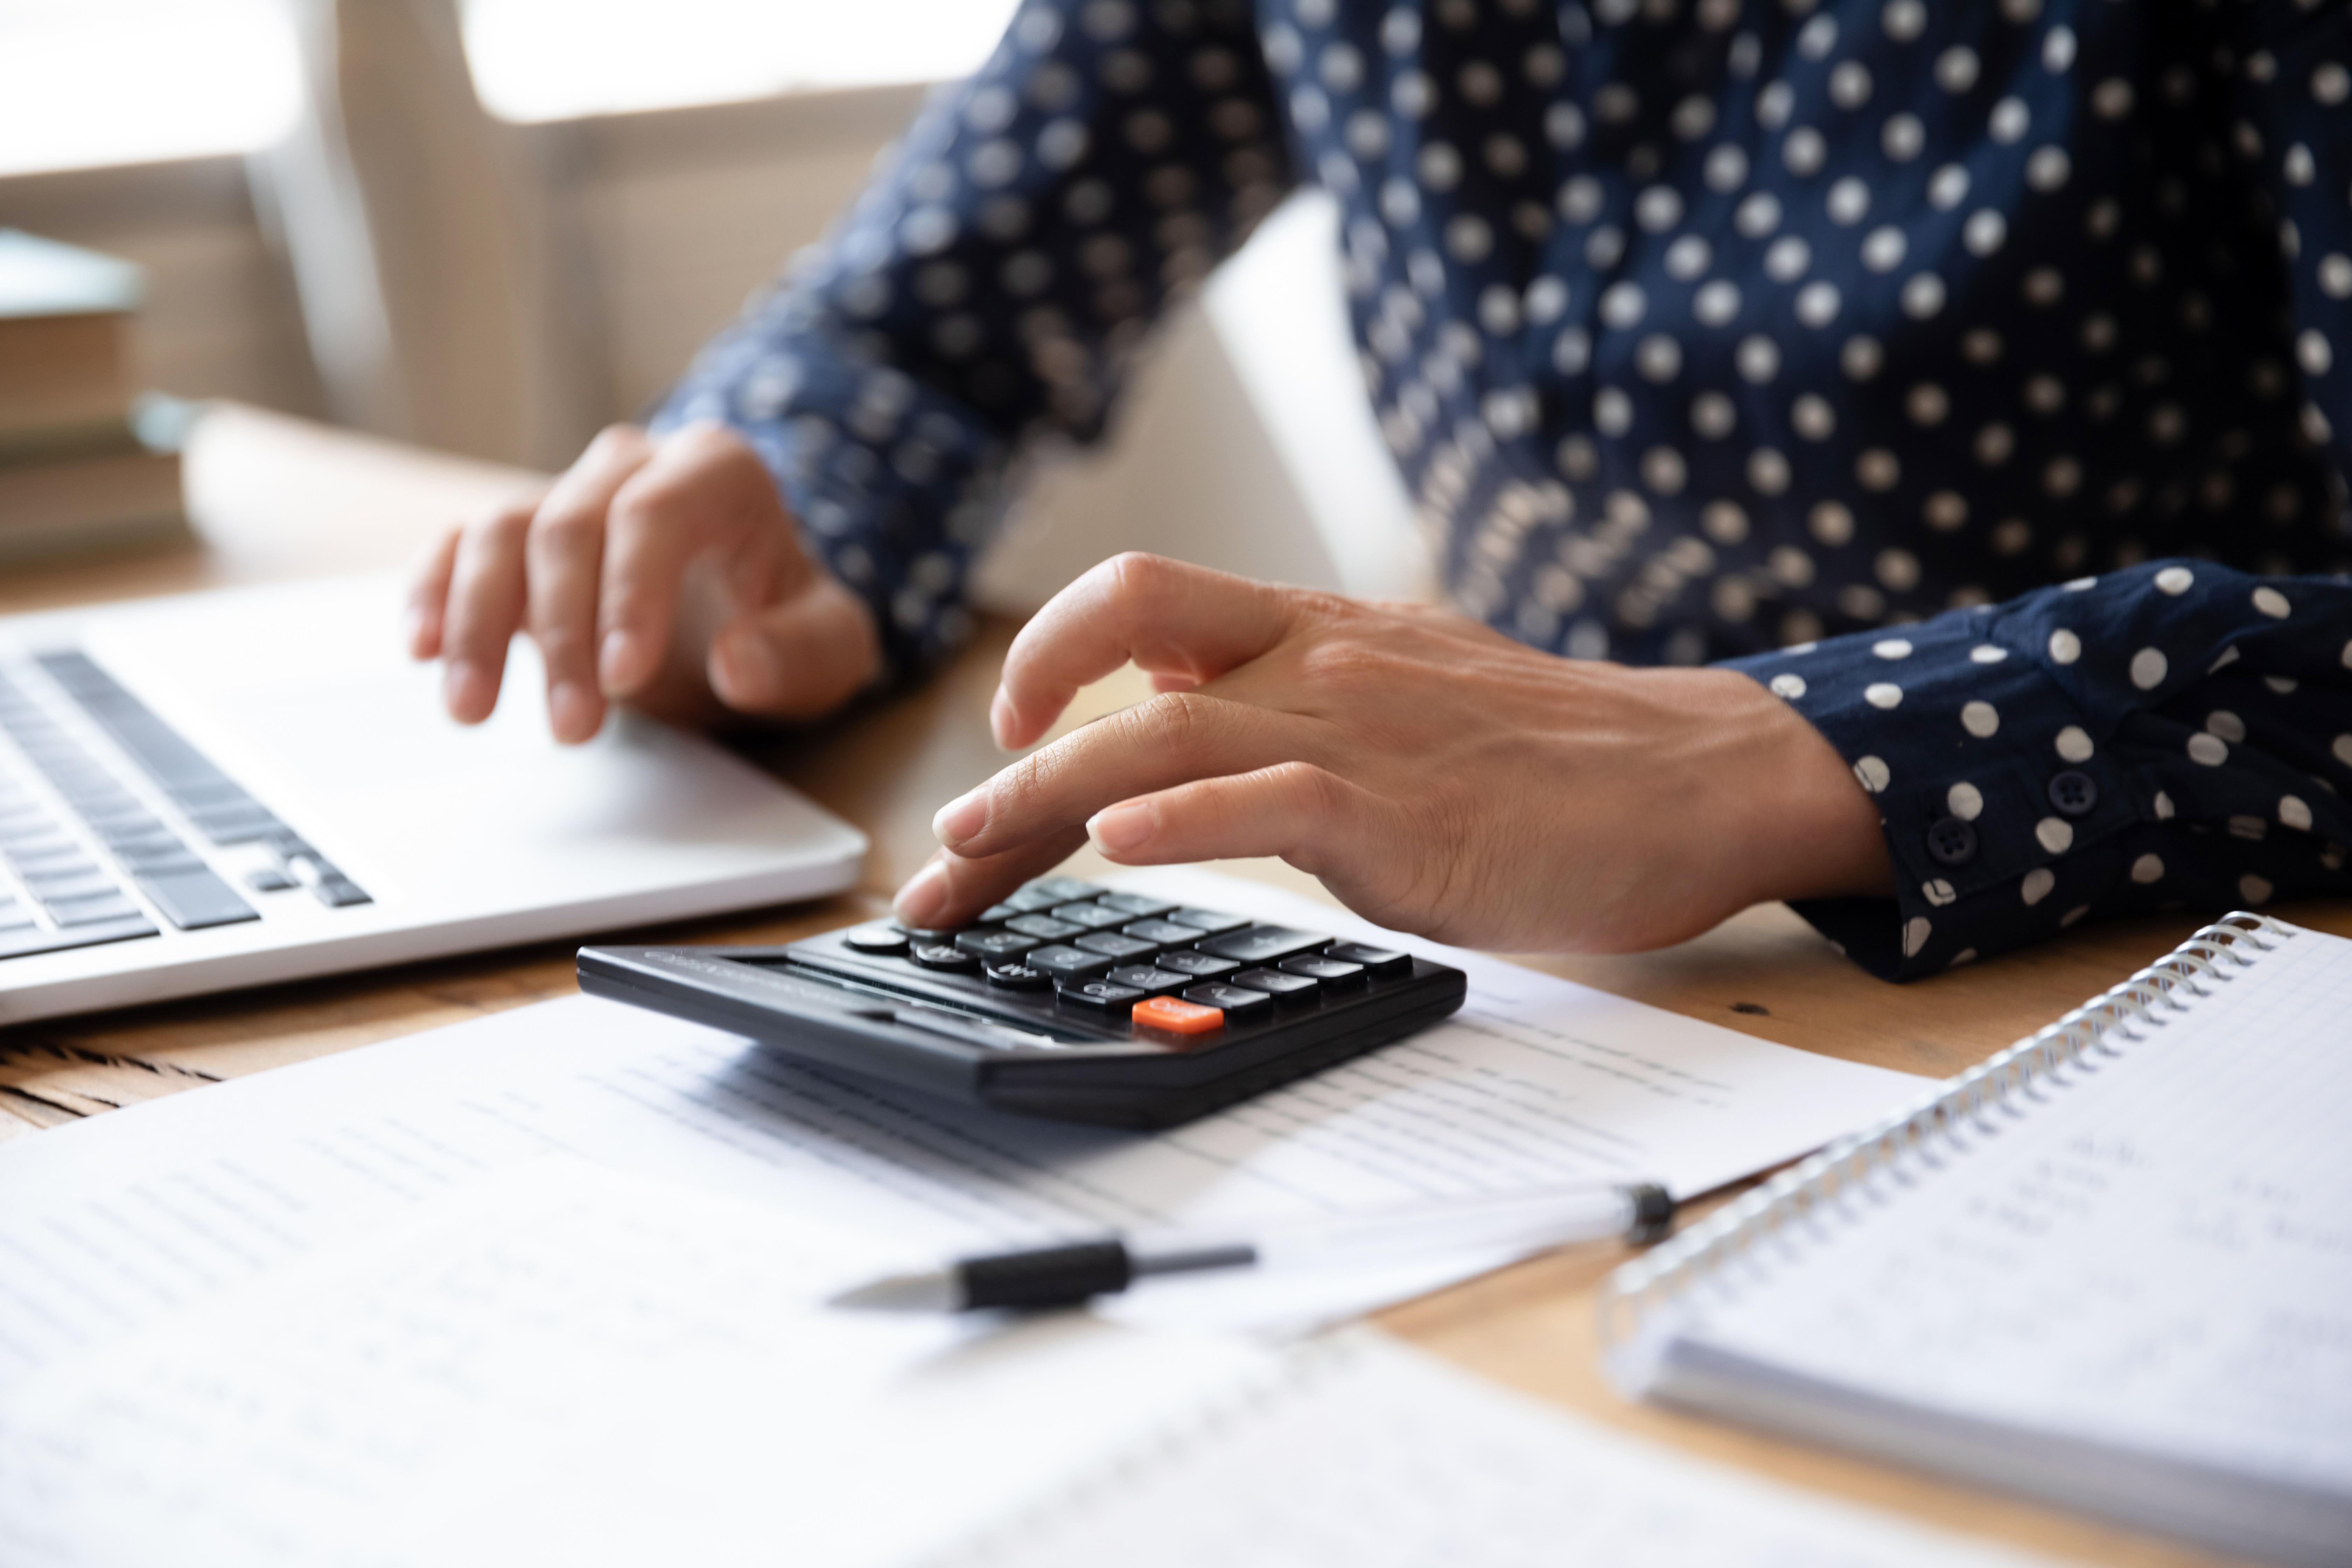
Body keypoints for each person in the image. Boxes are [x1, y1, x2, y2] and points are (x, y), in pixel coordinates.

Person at [408, 0, 2352, 977]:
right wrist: (773, 527)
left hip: (2156, 989)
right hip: (1555, 988)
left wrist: (1777, 745)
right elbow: (921, 326)